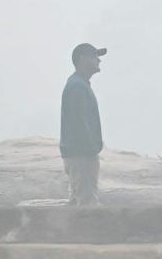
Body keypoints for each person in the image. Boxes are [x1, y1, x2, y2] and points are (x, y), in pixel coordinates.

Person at [60, 42, 106, 205]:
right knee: (87, 204)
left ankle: (64, 230)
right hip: (82, 155)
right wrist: (91, 149)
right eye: (94, 56)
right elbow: (78, 122)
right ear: (82, 59)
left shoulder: (79, 84)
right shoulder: (77, 86)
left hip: (79, 154)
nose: (98, 61)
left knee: (77, 203)